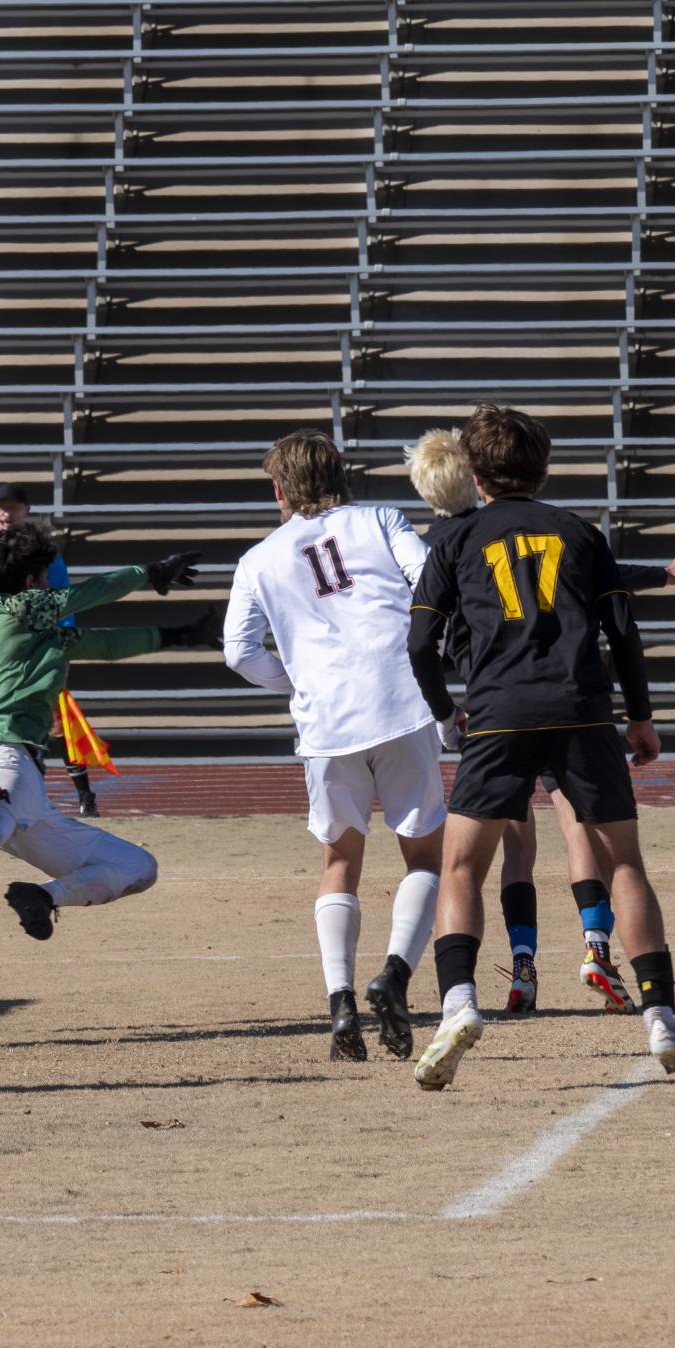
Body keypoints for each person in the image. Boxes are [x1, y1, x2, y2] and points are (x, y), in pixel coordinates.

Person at [405, 404, 675, 1090]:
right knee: (623, 862)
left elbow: (420, 642)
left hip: (500, 713)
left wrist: (448, 711)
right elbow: (622, 631)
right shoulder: (578, 530)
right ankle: (659, 1015)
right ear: (541, 468)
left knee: (458, 869)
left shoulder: (452, 539)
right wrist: (641, 717)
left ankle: (457, 1006)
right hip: (580, 708)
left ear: (474, 476)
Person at [0, 523, 210, 946]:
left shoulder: (30, 629)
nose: (52, 583)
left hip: (26, 781)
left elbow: (102, 644)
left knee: (137, 866)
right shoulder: (16, 608)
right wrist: (151, 572)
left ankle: (41, 896)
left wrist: (179, 636)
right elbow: (89, 594)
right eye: (47, 574)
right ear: (31, 581)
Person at [224, 430, 446, 1062]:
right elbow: (429, 578)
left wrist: (298, 680)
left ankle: (340, 1000)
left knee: (339, 861)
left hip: (326, 720)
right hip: (402, 701)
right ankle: (396, 976)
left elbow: (238, 652)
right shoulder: (378, 517)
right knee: (424, 855)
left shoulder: (257, 558)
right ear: (340, 475)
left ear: (278, 491)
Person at [0, 483, 101, 817]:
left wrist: (66, 641)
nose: (5, 513)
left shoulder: (45, 550)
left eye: (12, 507)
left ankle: (86, 795)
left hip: (39, 639)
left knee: (57, 714)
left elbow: (64, 597)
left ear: (26, 510)